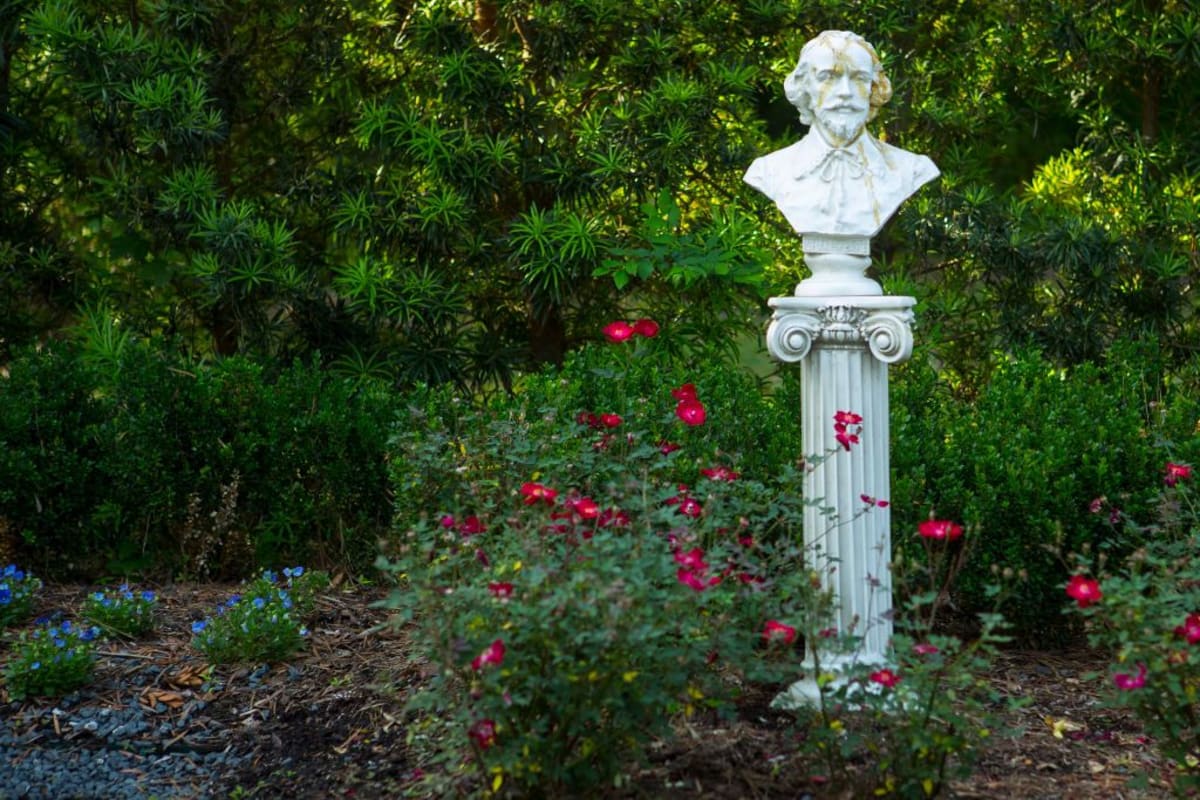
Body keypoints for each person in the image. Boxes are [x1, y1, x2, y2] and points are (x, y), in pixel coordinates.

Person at [744, 31, 938, 241]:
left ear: (873, 87)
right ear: (804, 85)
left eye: (859, 78)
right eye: (828, 77)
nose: (845, 91)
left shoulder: (910, 169)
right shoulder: (770, 171)